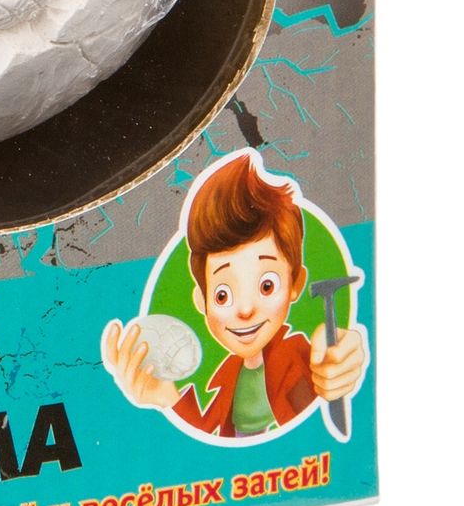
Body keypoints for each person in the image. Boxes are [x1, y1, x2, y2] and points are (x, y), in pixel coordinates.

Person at [104, 152, 366, 437]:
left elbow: (324, 374)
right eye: (222, 295)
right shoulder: (230, 375)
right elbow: (212, 438)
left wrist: (340, 361)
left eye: (267, 286)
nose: (245, 310)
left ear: (296, 284)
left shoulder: (294, 359)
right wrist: (165, 396)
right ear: (202, 301)